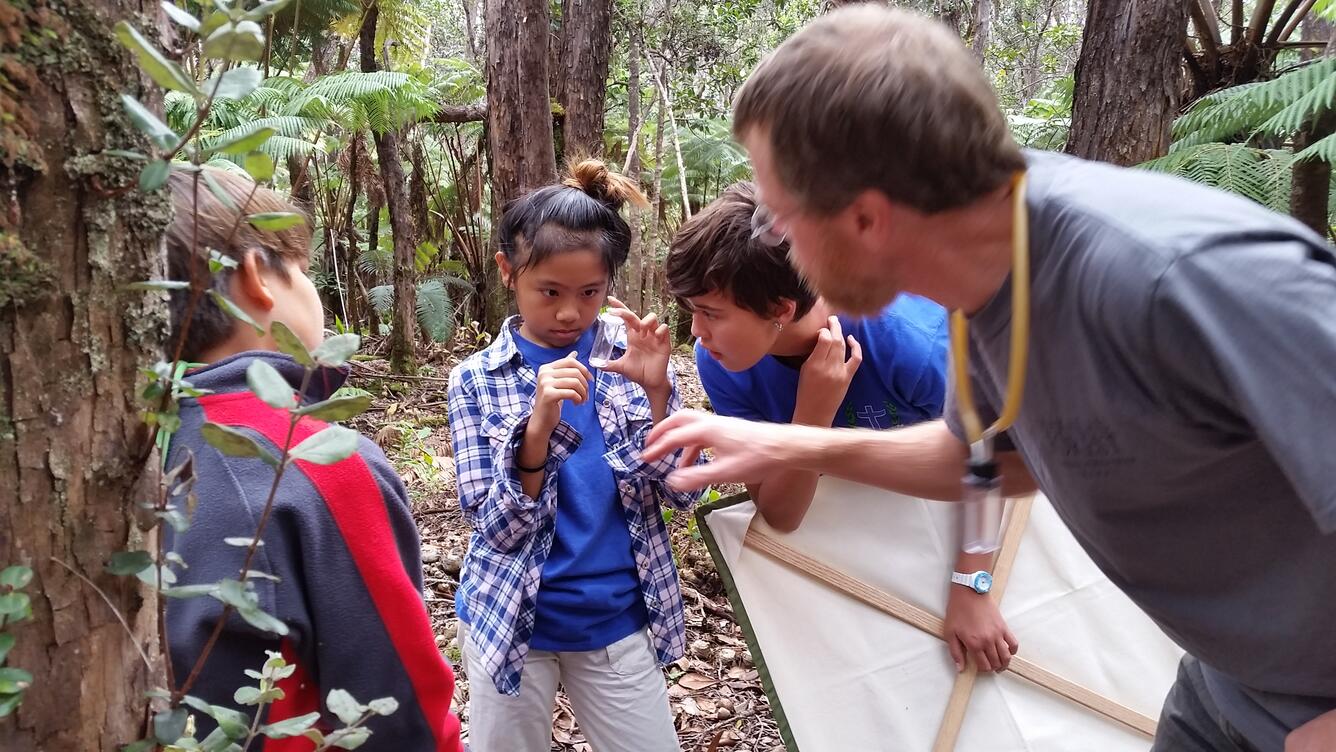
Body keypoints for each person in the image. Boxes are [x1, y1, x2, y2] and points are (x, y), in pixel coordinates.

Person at [642, 7, 1336, 752]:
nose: (780, 244)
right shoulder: (987, 283)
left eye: (781, 218)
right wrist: (786, 445)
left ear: (866, 219)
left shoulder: (1175, 278)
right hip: (1224, 679)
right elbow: (982, 459)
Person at [161, 168, 464, 751]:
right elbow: (398, 702)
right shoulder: (322, 462)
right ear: (258, 278)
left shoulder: (130, 446)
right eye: (302, 268)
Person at [666, 181, 1018, 673]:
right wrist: (813, 415)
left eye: (710, 314)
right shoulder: (722, 362)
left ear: (781, 310)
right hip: (863, 560)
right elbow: (782, 515)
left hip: (969, 535)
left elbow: (995, 458)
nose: (696, 333)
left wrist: (973, 586)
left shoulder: (906, 340)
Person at [447, 159, 696, 752]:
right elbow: (494, 527)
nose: (568, 312)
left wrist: (660, 393)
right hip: (510, 621)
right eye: (550, 292)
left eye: (589, 293)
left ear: (609, 284)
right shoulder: (477, 381)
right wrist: (536, 433)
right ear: (509, 272)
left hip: (616, 620)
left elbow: (683, 493)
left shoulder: (629, 358)